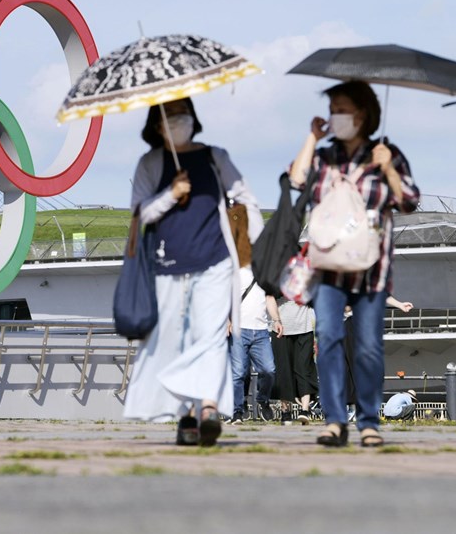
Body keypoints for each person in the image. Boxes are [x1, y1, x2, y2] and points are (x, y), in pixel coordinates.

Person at [123, 98, 262, 447]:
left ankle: (209, 409)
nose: (178, 121)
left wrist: (255, 246)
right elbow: (140, 214)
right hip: (167, 267)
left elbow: (244, 196)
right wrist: (171, 193)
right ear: (156, 125)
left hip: (216, 261)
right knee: (176, 339)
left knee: (211, 336)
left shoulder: (216, 157)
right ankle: (186, 416)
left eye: (183, 114)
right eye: (170, 116)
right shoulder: (150, 163)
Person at [289, 80, 420, 448]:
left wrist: (388, 168)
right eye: (334, 109)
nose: (337, 116)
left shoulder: (387, 153)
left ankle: (368, 421)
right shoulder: (325, 155)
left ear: (363, 114)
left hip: (371, 268)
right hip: (328, 267)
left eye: (344, 109)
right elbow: (297, 179)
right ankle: (333, 420)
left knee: (367, 346)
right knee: (327, 338)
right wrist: (313, 137)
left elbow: (409, 200)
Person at [230, 266, 282, 424]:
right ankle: (237, 411)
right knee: (238, 373)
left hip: (261, 331)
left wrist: (276, 320)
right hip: (239, 329)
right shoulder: (236, 271)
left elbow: (270, 298)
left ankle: (263, 400)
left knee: (269, 370)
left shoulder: (265, 272)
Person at [271, 298, 319, 424]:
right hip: (280, 328)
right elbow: (269, 296)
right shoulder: (277, 278)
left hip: (305, 327)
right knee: (283, 370)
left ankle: (304, 410)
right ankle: (285, 411)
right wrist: (276, 320)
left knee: (304, 368)